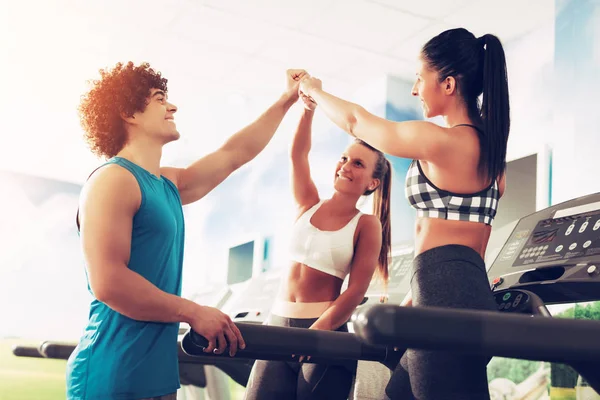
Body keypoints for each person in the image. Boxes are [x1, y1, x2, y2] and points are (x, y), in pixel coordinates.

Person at [66, 62, 307, 400]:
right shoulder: (113, 179)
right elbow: (109, 282)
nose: (172, 106)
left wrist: (286, 99)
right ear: (128, 112)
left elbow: (233, 155)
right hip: (114, 371)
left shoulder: (166, 184)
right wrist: (193, 312)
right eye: (159, 98)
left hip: (157, 376)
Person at [298, 27, 509, 400]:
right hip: (454, 289)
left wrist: (313, 90)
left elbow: (355, 122)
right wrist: (418, 293)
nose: (414, 90)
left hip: (446, 296)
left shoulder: (442, 141)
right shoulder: (491, 154)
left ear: (447, 84)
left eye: (419, 78)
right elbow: (468, 245)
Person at [243, 88, 392, 400]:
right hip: (277, 326)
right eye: (344, 159)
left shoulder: (366, 224)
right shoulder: (307, 203)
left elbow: (355, 291)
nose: (345, 167)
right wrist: (307, 108)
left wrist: (317, 333)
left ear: (373, 183)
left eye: (358, 164)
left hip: (323, 330)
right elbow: (297, 154)